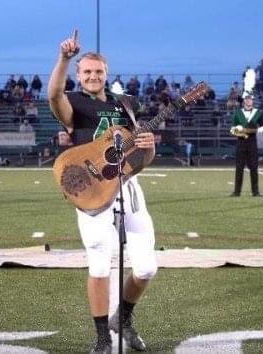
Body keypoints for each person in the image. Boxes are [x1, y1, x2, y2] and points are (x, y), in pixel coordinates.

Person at [48, 30, 157, 354]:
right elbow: (54, 96)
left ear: (106, 74)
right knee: (99, 263)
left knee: (146, 267)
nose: (93, 76)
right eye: (87, 72)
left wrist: (147, 148)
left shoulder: (126, 105)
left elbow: (139, 159)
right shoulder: (74, 103)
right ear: (79, 76)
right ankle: (101, 338)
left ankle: (122, 318)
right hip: (92, 190)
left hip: (126, 185)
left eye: (98, 72)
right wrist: (65, 59)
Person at [230, 91, 263, 197]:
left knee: (254, 167)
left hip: (252, 142)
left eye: (250, 98)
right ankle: (237, 192)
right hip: (241, 142)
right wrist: (237, 130)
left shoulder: (258, 112)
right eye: (246, 98)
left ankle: (255, 192)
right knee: (239, 167)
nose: (248, 100)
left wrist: (262, 129)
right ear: (243, 101)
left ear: (253, 100)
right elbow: (232, 130)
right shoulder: (237, 112)